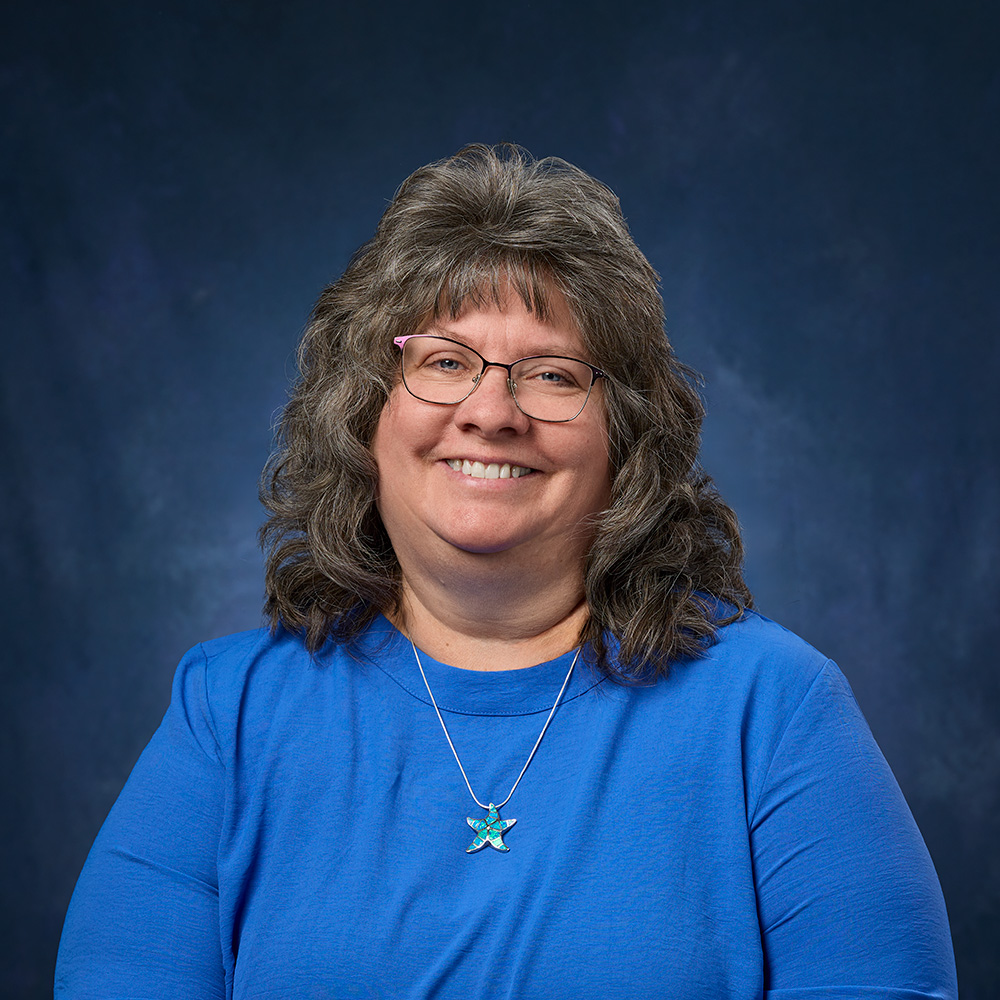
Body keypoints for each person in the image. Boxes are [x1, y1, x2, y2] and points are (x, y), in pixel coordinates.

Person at [56, 144, 957, 999]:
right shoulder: (230, 713)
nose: (491, 411)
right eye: (444, 362)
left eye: (553, 375)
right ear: (363, 413)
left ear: (627, 439)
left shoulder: (776, 710)